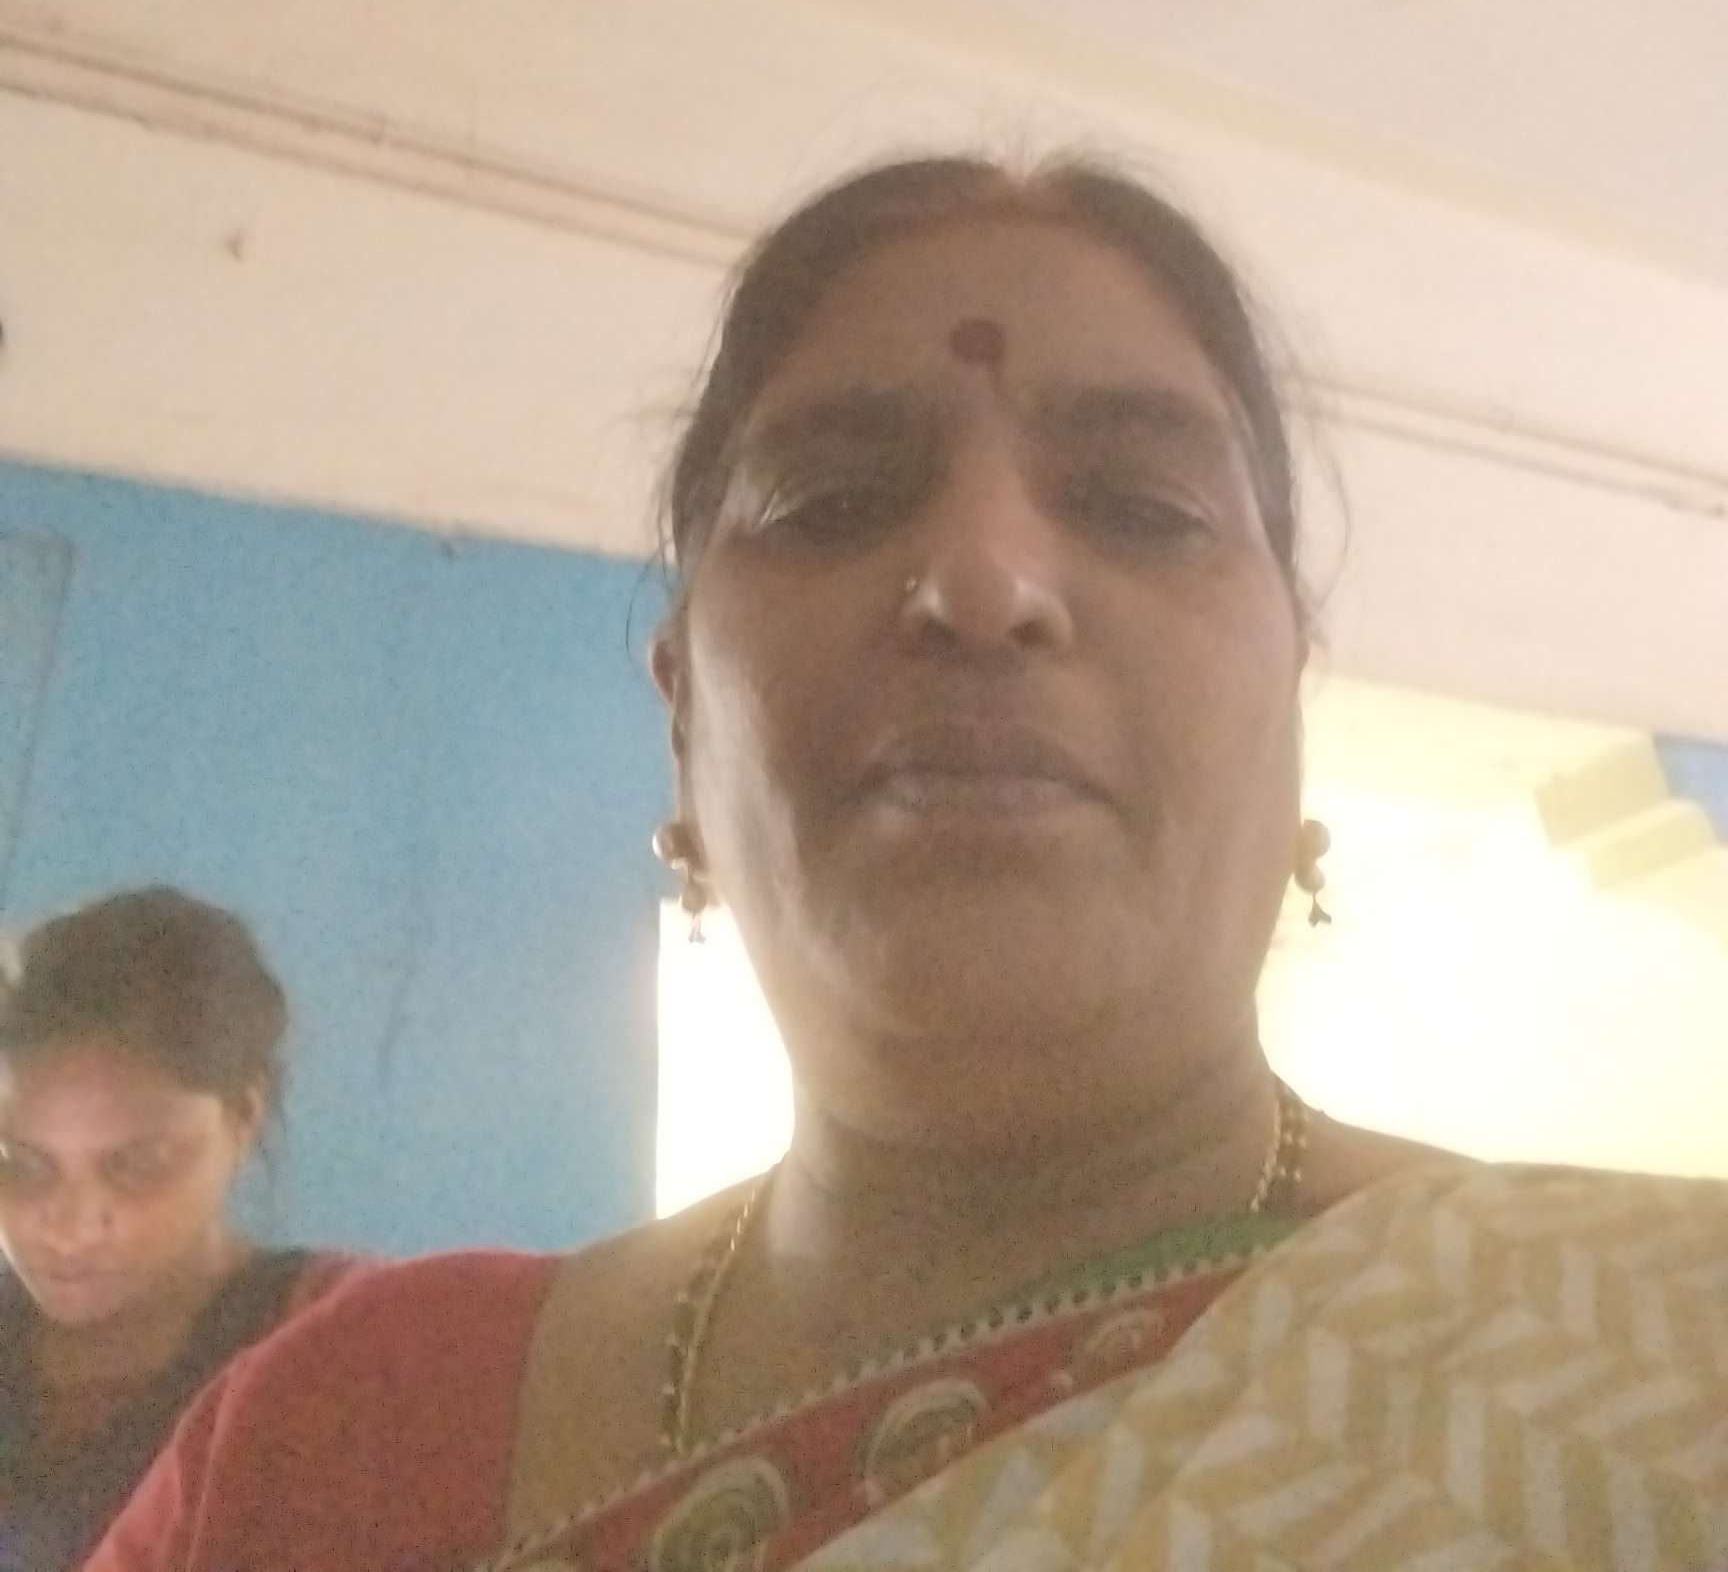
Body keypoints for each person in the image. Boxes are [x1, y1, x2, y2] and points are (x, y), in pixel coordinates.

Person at [92, 157, 1727, 1572]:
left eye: (1142, 504)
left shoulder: (1672, 1360)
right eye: (829, 499)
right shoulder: (336, 1429)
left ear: (1288, 697)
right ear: (682, 713)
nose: (983, 578)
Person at [0, 886, 357, 1569]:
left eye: (138, 1165)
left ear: (242, 1118)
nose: (73, 1226)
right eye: (21, 1165)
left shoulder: (351, 1340)